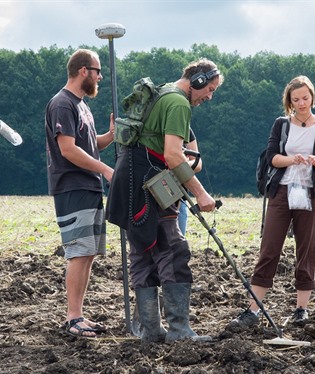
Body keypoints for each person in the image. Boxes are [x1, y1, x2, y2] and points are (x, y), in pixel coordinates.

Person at [106, 58, 223, 343]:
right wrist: (201, 193)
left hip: (129, 179)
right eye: (209, 88)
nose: (209, 96)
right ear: (196, 81)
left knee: (143, 252)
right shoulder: (179, 103)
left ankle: (151, 330)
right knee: (173, 249)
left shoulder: (163, 91)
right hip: (150, 183)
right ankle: (179, 329)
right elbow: (173, 154)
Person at [229, 76, 315, 328]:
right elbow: (272, 157)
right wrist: (292, 160)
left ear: (312, 97)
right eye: (295, 99)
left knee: (307, 250)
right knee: (269, 249)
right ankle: (253, 310)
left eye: (305, 98)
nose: (301, 103)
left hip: (310, 193)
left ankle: (301, 309)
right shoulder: (281, 124)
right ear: (289, 101)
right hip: (282, 192)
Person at [45, 49, 115, 338]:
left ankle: (79, 314)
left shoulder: (82, 105)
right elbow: (69, 150)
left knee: (88, 254)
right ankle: (73, 317)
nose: (100, 77)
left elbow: (88, 144)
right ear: (84, 71)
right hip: (72, 187)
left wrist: (109, 137)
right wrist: (107, 170)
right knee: (78, 253)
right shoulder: (63, 103)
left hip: (88, 186)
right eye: (97, 71)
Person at [178, 128, 202, 235]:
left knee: (176, 245)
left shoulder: (185, 128)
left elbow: (198, 163)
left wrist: (183, 164)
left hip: (180, 197)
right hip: (150, 197)